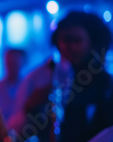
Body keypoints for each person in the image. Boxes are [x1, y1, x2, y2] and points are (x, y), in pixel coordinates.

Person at [10, 11, 113, 142]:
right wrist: (31, 106)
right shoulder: (39, 77)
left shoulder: (105, 83)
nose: (68, 47)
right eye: (63, 40)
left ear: (93, 42)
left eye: (76, 41)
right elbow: (16, 131)